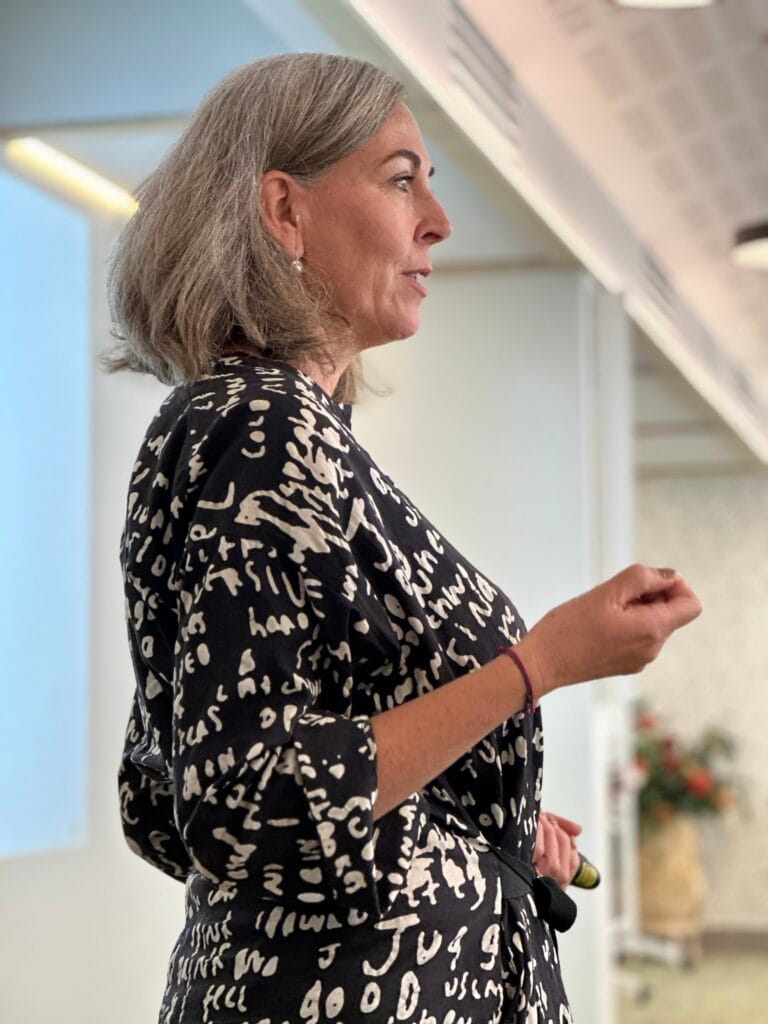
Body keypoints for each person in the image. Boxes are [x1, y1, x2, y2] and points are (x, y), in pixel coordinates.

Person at [111, 53, 702, 1024]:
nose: (438, 219)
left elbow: (168, 801)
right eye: (400, 178)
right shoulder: (263, 428)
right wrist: (541, 662)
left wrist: (466, 824)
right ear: (285, 212)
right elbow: (244, 804)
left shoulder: (259, 428)